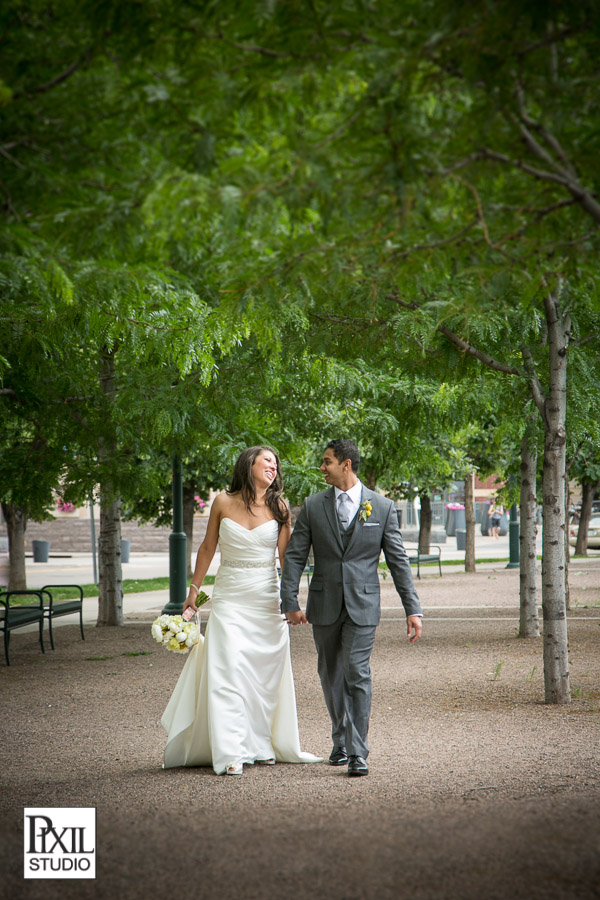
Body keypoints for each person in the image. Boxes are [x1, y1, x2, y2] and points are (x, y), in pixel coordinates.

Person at [161, 446, 322, 776]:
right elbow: (208, 547)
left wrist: (291, 602)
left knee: (263, 678)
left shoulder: (279, 506)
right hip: (230, 598)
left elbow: (287, 559)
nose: (273, 467)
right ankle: (230, 751)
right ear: (249, 464)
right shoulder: (222, 501)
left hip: (266, 601)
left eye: (276, 464)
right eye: (267, 461)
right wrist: (193, 591)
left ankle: (260, 744)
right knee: (228, 671)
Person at [280, 440, 423, 778]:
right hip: (324, 604)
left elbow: (398, 561)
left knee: (357, 672)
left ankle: (358, 752)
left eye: (327, 461)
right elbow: (296, 556)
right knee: (330, 674)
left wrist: (412, 609)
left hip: (363, 604)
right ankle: (341, 739)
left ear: (346, 465)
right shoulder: (312, 506)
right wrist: (290, 601)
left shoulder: (382, 507)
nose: (322, 467)